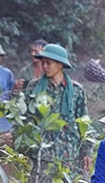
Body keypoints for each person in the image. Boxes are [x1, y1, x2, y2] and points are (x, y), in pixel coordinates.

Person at [25, 43, 88, 171]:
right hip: (41, 153)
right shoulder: (34, 87)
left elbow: (83, 123)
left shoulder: (76, 90)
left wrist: (86, 152)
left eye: (49, 63)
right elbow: (26, 117)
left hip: (69, 153)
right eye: (43, 63)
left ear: (60, 64)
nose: (44, 67)